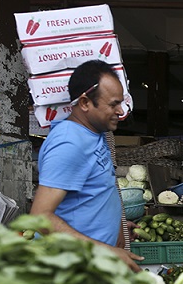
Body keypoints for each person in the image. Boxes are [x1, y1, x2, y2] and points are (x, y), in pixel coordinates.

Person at [31, 60, 143, 272]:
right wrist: (104, 250)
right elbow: (40, 217)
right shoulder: (69, 143)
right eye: (113, 104)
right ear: (84, 103)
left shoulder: (94, 134)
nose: (121, 111)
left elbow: (94, 192)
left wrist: (114, 224)